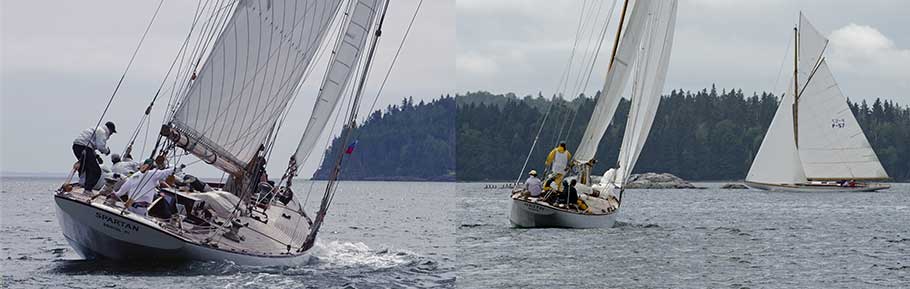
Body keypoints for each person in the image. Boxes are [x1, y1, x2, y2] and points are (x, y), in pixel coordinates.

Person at [114, 159, 181, 215]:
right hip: (141, 210)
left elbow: (124, 188)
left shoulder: (135, 175)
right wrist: (179, 168)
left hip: (129, 206)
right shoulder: (153, 174)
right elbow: (167, 172)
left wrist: (116, 194)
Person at [72, 121, 116, 192]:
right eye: (111, 133)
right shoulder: (102, 131)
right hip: (84, 147)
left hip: (77, 146)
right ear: (110, 130)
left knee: (86, 167)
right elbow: (100, 146)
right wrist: (106, 151)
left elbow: (91, 145)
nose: (110, 135)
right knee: (96, 171)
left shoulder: (96, 129)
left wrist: (97, 156)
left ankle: (83, 184)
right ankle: (87, 189)